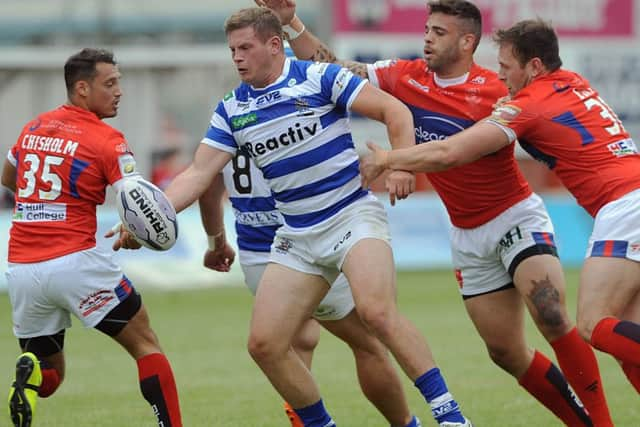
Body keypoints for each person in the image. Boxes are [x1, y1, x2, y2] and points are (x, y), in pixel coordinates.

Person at [257, 0, 613, 425]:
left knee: (551, 314)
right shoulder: (404, 76)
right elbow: (330, 67)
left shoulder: (498, 90)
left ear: (467, 41)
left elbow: (479, 146)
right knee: (505, 352)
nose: (427, 37)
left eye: (438, 32)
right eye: (427, 29)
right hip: (466, 233)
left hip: (515, 216)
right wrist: (292, 23)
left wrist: (396, 160)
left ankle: (600, 421)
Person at [144, 7, 472, 427]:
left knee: (376, 314)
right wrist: (154, 213)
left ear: (274, 45)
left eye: (246, 48)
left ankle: (450, 416)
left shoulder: (318, 77)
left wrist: (403, 166)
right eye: (232, 50)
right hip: (297, 234)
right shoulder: (231, 109)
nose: (237, 58)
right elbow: (198, 174)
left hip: (350, 214)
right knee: (264, 344)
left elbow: (397, 112)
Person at [361, 16, 640, 402]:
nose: (501, 76)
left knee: (593, 324)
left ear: (534, 66)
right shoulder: (574, 82)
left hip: (625, 206)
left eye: (506, 67)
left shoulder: (527, 104)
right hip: (631, 197)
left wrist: (391, 159)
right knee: (628, 332)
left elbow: (451, 151)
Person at [2, 48, 183, 427]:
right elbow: (139, 201)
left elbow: (8, 178)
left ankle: (29, 373)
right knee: (145, 344)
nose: (119, 91)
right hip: (76, 261)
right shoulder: (107, 139)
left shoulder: (34, 127)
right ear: (82, 88)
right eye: (110, 83)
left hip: (20, 267)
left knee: (50, 376)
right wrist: (135, 231)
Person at [198, 154, 419, 427]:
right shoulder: (286, 114)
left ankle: (303, 419)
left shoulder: (224, 123)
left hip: (255, 255)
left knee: (298, 339)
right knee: (368, 345)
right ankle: (407, 424)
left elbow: (207, 187)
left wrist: (216, 242)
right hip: (304, 247)